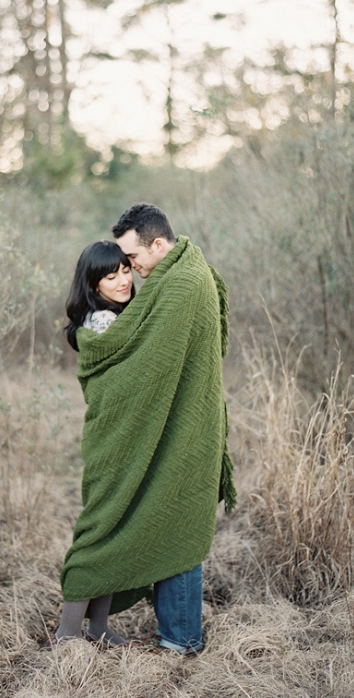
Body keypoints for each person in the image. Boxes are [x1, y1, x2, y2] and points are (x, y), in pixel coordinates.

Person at [59, 204, 236, 654]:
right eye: (116, 270)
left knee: (142, 524)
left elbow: (156, 359)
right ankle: (73, 634)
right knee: (107, 524)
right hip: (120, 435)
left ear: (157, 245)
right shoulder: (160, 290)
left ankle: (131, 633)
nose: (129, 274)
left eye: (130, 261)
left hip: (177, 433)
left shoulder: (177, 286)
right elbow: (129, 365)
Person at [54, 240, 136, 647]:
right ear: (93, 283)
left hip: (120, 439)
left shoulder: (117, 315)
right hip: (111, 441)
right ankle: (67, 636)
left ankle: (99, 628)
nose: (123, 280)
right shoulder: (104, 323)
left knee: (114, 528)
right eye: (111, 275)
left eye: (126, 269)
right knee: (98, 531)